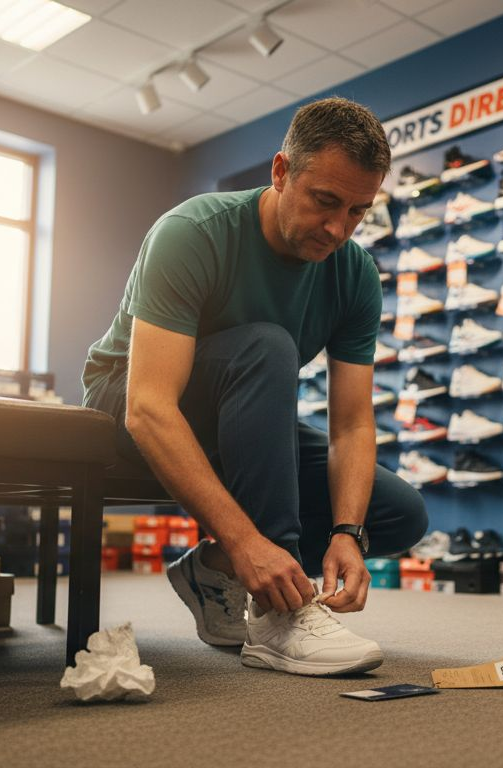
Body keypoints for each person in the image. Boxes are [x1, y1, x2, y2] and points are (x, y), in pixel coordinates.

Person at [82, 97, 427, 676]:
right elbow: (148, 407)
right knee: (268, 346)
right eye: (325, 202)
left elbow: (351, 423)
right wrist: (248, 543)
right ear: (280, 172)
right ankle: (278, 614)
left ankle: (209, 567)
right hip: (127, 400)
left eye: (358, 212)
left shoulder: (355, 274)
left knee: (396, 513)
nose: (338, 229)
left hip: (238, 403)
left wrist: (347, 534)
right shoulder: (192, 232)